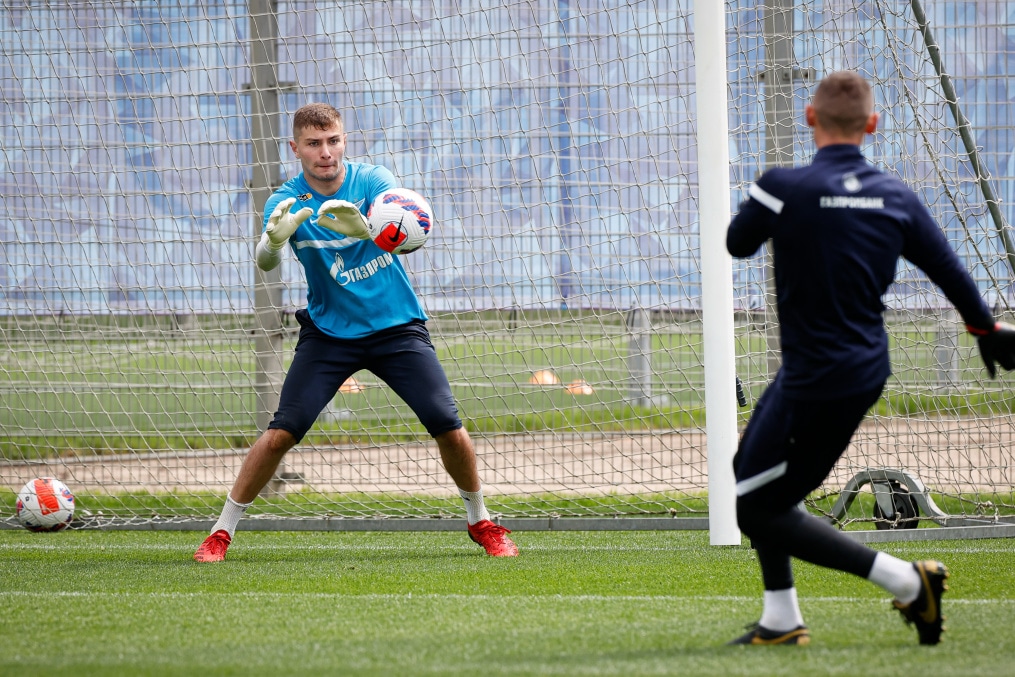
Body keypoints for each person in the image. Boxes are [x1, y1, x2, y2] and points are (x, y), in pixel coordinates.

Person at [725, 71, 1014, 646]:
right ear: (872, 126)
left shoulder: (783, 185)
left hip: (816, 378)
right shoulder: (897, 196)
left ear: (810, 118)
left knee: (757, 508)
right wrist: (986, 329)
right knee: (750, 482)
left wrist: (768, 197)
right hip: (854, 371)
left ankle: (909, 581)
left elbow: (738, 242)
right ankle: (781, 619)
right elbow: (951, 272)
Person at [195, 103, 518, 561]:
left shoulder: (372, 181)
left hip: (396, 329)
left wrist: (368, 228)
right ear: (296, 148)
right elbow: (265, 263)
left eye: (333, 141)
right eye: (313, 144)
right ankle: (220, 533)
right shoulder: (285, 199)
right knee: (281, 433)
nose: (325, 152)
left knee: (449, 426)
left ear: (344, 141)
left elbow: (409, 233)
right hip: (329, 335)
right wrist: (272, 239)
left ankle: (481, 522)